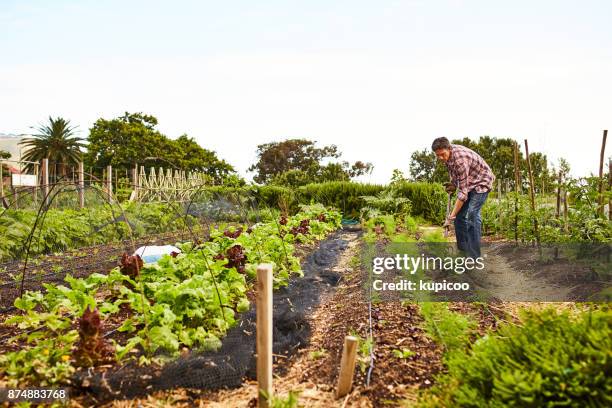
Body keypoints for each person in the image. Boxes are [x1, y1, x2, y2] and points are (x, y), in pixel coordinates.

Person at [432, 137, 495, 258]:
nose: (440, 158)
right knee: (460, 217)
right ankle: (463, 251)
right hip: (470, 183)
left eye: (442, 154)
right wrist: (453, 185)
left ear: (449, 149)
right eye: (437, 155)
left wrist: (449, 218)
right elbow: (455, 175)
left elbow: (462, 195)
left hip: (482, 182)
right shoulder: (448, 157)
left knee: (472, 214)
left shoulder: (460, 159)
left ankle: (474, 256)